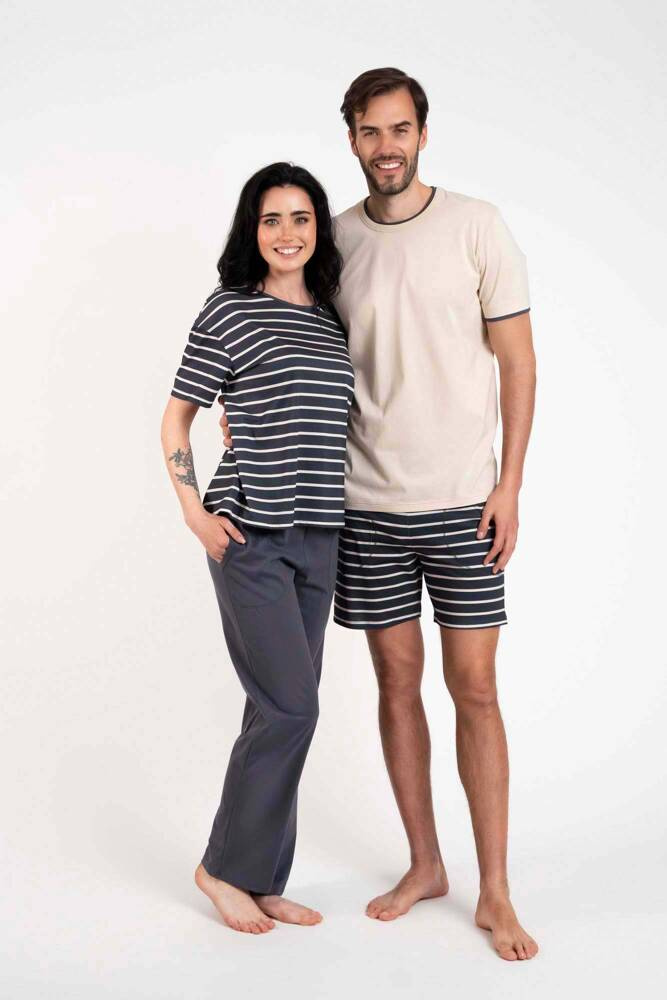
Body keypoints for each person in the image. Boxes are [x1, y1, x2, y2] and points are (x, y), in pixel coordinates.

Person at [221, 69, 539, 961]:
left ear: (422, 134)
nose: (385, 146)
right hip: (362, 507)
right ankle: (425, 865)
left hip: (464, 504)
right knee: (396, 686)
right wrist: (235, 405)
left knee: (475, 688)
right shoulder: (335, 243)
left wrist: (510, 485)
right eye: (369, 131)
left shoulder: (477, 226)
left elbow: (518, 361)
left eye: (399, 129)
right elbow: (284, 333)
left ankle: (496, 892)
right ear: (352, 139)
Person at [161, 162, 354, 934]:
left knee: (274, 710)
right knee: (291, 708)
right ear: (252, 229)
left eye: (300, 218)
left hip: (321, 536)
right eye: (271, 219)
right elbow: (176, 418)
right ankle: (220, 869)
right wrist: (192, 510)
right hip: (250, 534)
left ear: (317, 230)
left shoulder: (331, 320)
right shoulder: (229, 310)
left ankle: (263, 877)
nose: (286, 233)